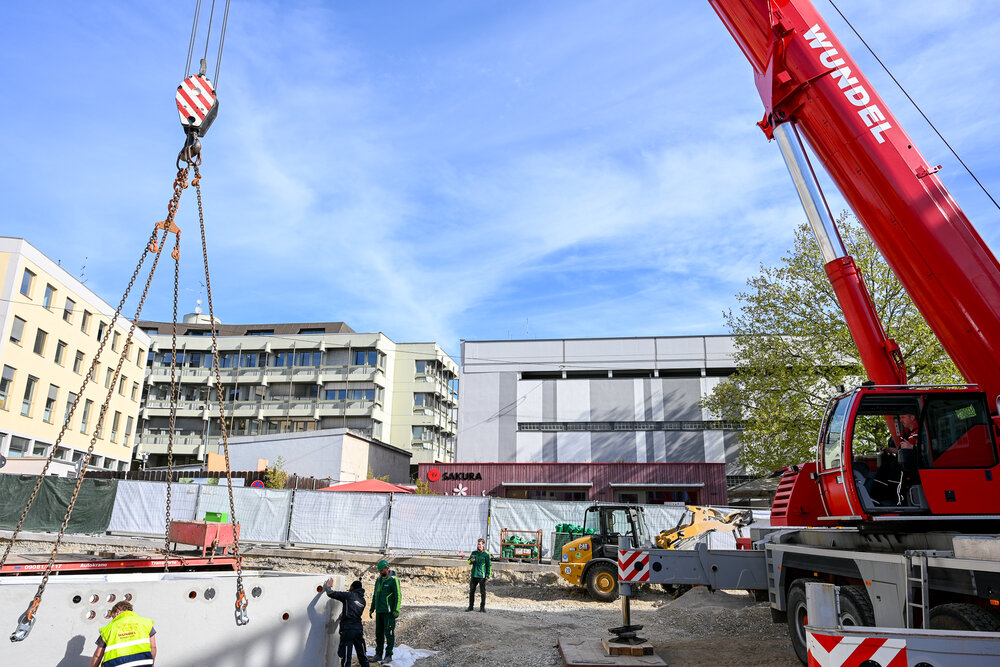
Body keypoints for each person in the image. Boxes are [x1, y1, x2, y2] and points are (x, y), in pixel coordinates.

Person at [90, 600, 156, 667]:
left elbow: (97, 656)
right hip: (143, 663)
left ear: (117, 612)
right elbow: (153, 647)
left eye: (113, 617)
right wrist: (151, 664)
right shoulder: (145, 623)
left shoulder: (109, 628)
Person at [325, 578, 370, 667]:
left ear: (352, 587)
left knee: (346, 658)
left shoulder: (349, 595)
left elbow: (330, 593)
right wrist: (344, 614)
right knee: (363, 656)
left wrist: (328, 587)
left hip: (348, 630)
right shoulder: (363, 601)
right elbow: (354, 610)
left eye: (350, 587)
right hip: (358, 630)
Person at [369, 559, 401, 663]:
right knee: (379, 633)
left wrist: (396, 609)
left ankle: (388, 655)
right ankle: (378, 654)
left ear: (386, 568)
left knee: (389, 633)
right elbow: (375, 595)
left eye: (381, 570)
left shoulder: (393, 580)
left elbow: (398, 595)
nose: (380, 572)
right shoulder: (378, 580)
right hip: (379, 611)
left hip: (389, 612)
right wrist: (372, 608)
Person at [466, 538, 492, 612]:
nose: (479, 546)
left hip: (482, 576)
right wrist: (471, 561)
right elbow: (468, 562)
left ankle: (482, 608)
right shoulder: (474, 553)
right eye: (478, 544)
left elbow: (489, 565)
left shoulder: (486, 554)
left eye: (480, 544)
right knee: (471, 591)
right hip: (474, 575)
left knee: (482, 592)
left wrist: (488, 575)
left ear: (483, 544)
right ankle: (470, 607)